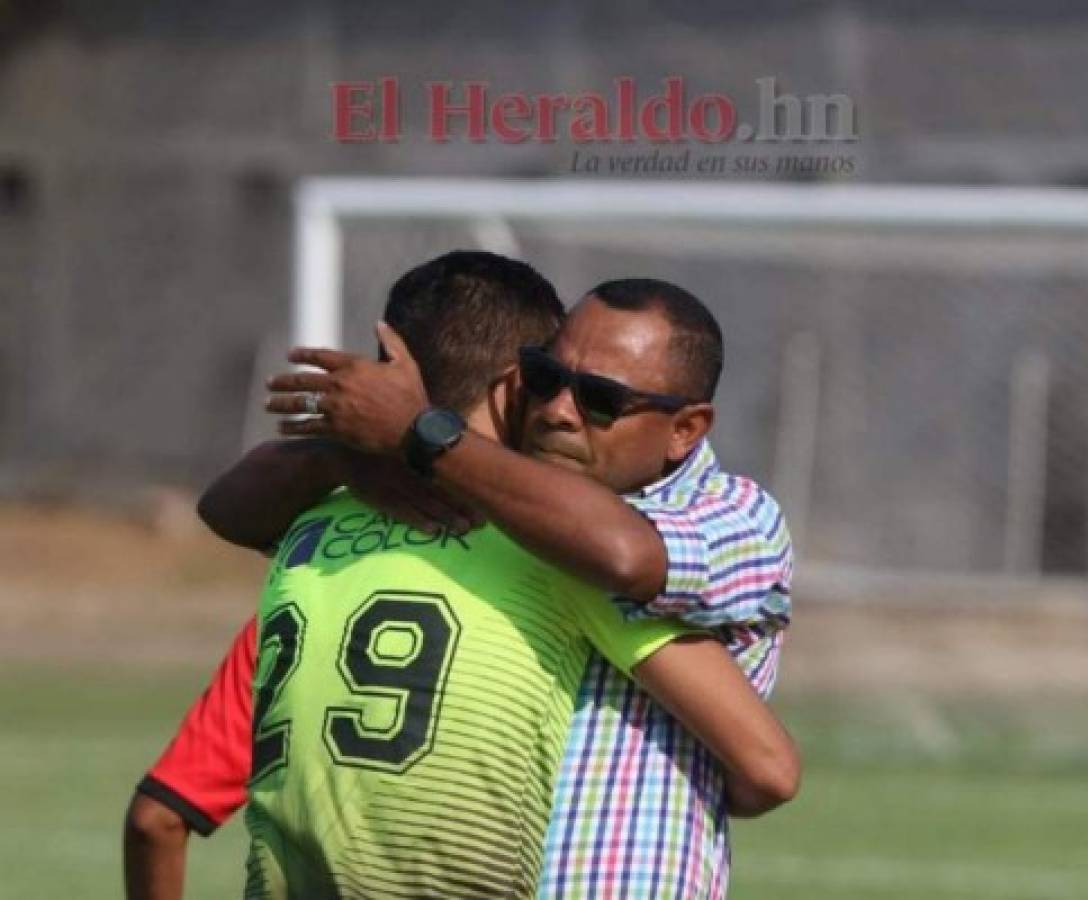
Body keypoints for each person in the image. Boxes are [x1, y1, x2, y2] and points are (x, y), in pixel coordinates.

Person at [124, 255, 796, 899]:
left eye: (599, 398)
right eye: (545, 376)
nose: (558, 409)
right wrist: (343, 455)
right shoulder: (493, 515)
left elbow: (627, 556)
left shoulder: (734, 515)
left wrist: (419, 434)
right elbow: (227, 509)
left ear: (685, 429)